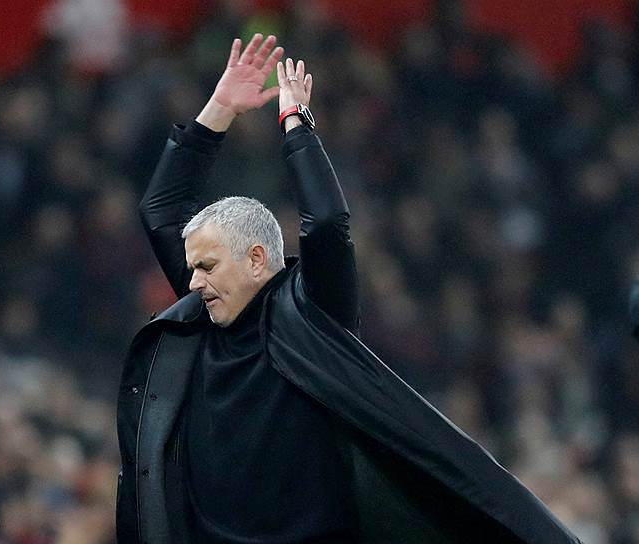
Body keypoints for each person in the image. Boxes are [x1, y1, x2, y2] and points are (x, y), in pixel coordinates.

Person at [116, 34, 581, 543]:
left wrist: (296, 124)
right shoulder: (202, 313)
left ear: (256, 259)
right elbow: (160, 208)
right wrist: (220, 108)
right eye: (192, 268)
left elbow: (326, 223)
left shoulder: (311, 316)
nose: (192, 281)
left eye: (207, 266)